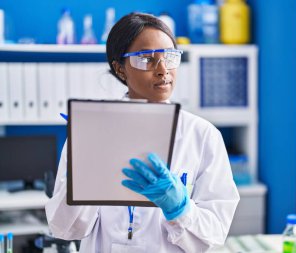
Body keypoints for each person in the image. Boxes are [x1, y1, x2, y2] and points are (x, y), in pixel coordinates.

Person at [45, 12, 240, 253]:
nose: (162, 70)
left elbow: (214, 234)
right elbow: (65, 229)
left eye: (169, 57)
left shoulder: (202, 135)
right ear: (120, 69)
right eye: (146, 58)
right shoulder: (91, 132)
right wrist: (86, 164)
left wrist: (180, 208)